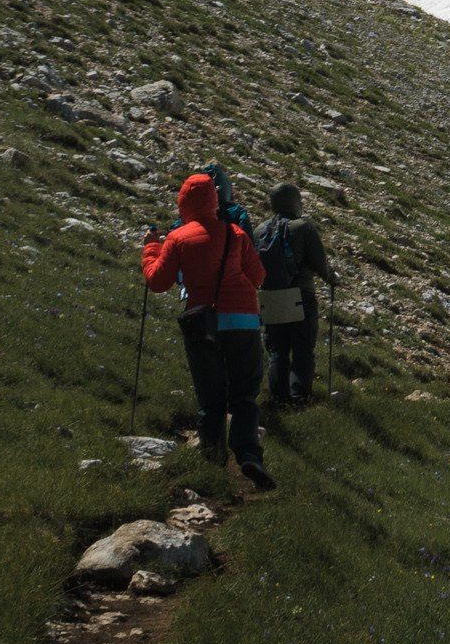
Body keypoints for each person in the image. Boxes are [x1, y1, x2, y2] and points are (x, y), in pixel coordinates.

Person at [143, 171, 274, 488]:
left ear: (183, 204)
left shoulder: (177, 239)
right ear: (215, 201)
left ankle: (212, 461)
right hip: (243, 321)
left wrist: (150, 249)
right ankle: (248, 454)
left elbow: (158, 282)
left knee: (211, 396)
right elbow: (258, 277)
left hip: (203, 324)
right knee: (243, 394)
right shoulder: (235, 233)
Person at [255, 183, 338, 409]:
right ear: (294, 202)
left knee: (277, 351)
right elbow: (320, 263)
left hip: (270, 297)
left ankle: (278, 398)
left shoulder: (260, 230)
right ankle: (300, 398)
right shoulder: (303, 227)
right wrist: (331, 278)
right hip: (300, 295)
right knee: (302, 349)